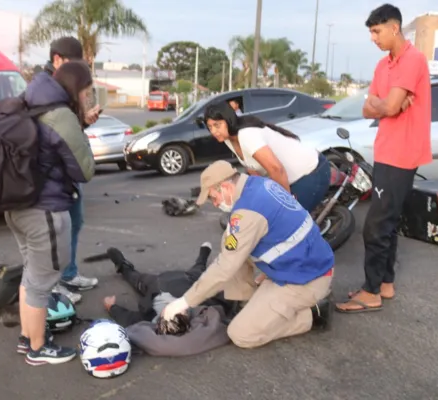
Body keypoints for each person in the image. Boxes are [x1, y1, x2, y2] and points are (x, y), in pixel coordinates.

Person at [161, 161, 334, 349]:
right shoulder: (259, 184)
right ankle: (247, 303)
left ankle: (314, 314)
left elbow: (224, 269)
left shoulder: (247, 214)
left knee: (241, 334)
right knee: (229, 241)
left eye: (213, 197)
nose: (215, 204)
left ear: (226, 187)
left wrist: (184, 302)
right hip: (305, 263)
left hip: (306, 280)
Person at [335, 4, 431, 313]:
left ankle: (371, 291)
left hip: (403, 153)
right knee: (386, 221)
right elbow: (370, 109)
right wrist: (386, 103)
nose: (373, 38)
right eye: (371, 32)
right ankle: (385, 284)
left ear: (394, 28)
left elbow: (387, 109)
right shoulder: (383, 66)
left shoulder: (412, 60)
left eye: (377, 31)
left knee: (375, 224)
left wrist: (387, 105)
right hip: (387, 149)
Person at [8, 60, 96, 366]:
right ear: (76, 88)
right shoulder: (60, 115)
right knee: (42, 281)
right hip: (44, 209)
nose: (87, 97)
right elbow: (85, 170)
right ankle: (37, 347)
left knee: (31, 274)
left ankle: (26, 337)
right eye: (86, 91)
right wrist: (81, 126)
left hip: (17, 206)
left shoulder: (30, 102)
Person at [42, 36, 102, 301]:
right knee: (53, 233)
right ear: (57, 60)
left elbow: (69, 129)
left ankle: (68, 274)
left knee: (74, 223)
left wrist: (84, 122)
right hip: (50, 176)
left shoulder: (62, 89)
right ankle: (53, 287)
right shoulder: (45, 88)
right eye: (71, 64)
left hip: (66, 172)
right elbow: (58, 130)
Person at [204, 101, 331, 212]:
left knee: (289, 222)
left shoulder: (247, 135)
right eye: (210, 127)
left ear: (228, 120)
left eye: (217, 125)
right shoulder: (228, 139)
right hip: (289, 179)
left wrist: (284, 204)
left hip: (311, 173)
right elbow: (252, 170)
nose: (213, 132)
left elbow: (276, 169)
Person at [102, 243, 234, 327]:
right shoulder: (204, 311)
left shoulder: (150, 317)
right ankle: (203, 255)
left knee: (134, 278)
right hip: (188, 282)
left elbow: (128, 318)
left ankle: (122, 264)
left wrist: (111, 306)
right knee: (199, 271)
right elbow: (221, 300)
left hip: (159, 285)